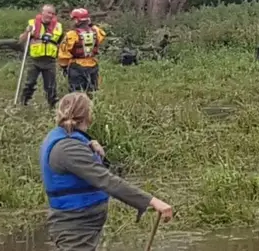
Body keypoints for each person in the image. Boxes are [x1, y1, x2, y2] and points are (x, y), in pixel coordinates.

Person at [40, 92, 173, 251]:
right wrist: (152, 201)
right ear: (88, 116)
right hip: (75, 228)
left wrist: (99, 155)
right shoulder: (68, 149)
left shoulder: (70, 139)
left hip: (82, 226)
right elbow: (107, 181)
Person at [19, 4, 64, 108]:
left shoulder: (58, 26)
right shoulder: (32, 24)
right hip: (34, 59)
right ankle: (23, 103)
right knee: (30, 83)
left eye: (53, 13)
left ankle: (52, 106)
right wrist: (27, 32)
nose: (50, 15)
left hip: (50, 60)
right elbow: (21, 40)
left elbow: (61, 43)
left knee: (50, 86)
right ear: (42, 12)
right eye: (48, 12)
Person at [57, 8, 106, 95]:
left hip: (77, 66)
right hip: (93, 65)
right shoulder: (96, 32)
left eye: (73, 19)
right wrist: (90, 24)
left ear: (77, 20)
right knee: (92, 91)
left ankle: (77, 107)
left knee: (76, 92)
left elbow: (63, 52)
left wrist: (64, 67)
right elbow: (102, 35)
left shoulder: (72, 34)